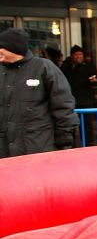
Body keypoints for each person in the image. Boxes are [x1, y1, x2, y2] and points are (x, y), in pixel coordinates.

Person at [0, 28, 79, 158]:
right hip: (5, 151)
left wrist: (64, 141)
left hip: (38, 148)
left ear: (12, 48)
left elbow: (63, 105)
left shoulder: (44, 67)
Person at [61, 45, 97, 145]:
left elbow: (96, 79)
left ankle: (88, 144)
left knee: (86, 125)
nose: (78, 57)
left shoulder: (89, 66)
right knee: (71, 125)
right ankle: (71, 145)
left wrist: (94, 81)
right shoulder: (66, 66)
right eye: (76, 54)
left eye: (80, 54)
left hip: (85, 100)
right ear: (72, 56)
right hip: (71, 100)